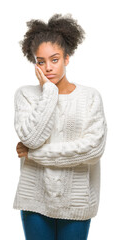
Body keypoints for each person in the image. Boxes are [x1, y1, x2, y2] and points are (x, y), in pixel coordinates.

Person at [13, 13, 108, 240]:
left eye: (54, 59)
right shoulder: (25, 95)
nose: (48, 68)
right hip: (34, 199)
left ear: (67, 58)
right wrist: (49, 92)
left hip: (77, 200)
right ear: (34, 62)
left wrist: (34, 154)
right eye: (41, 61)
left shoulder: (90, 96)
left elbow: (93, 150)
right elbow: (32, 137)